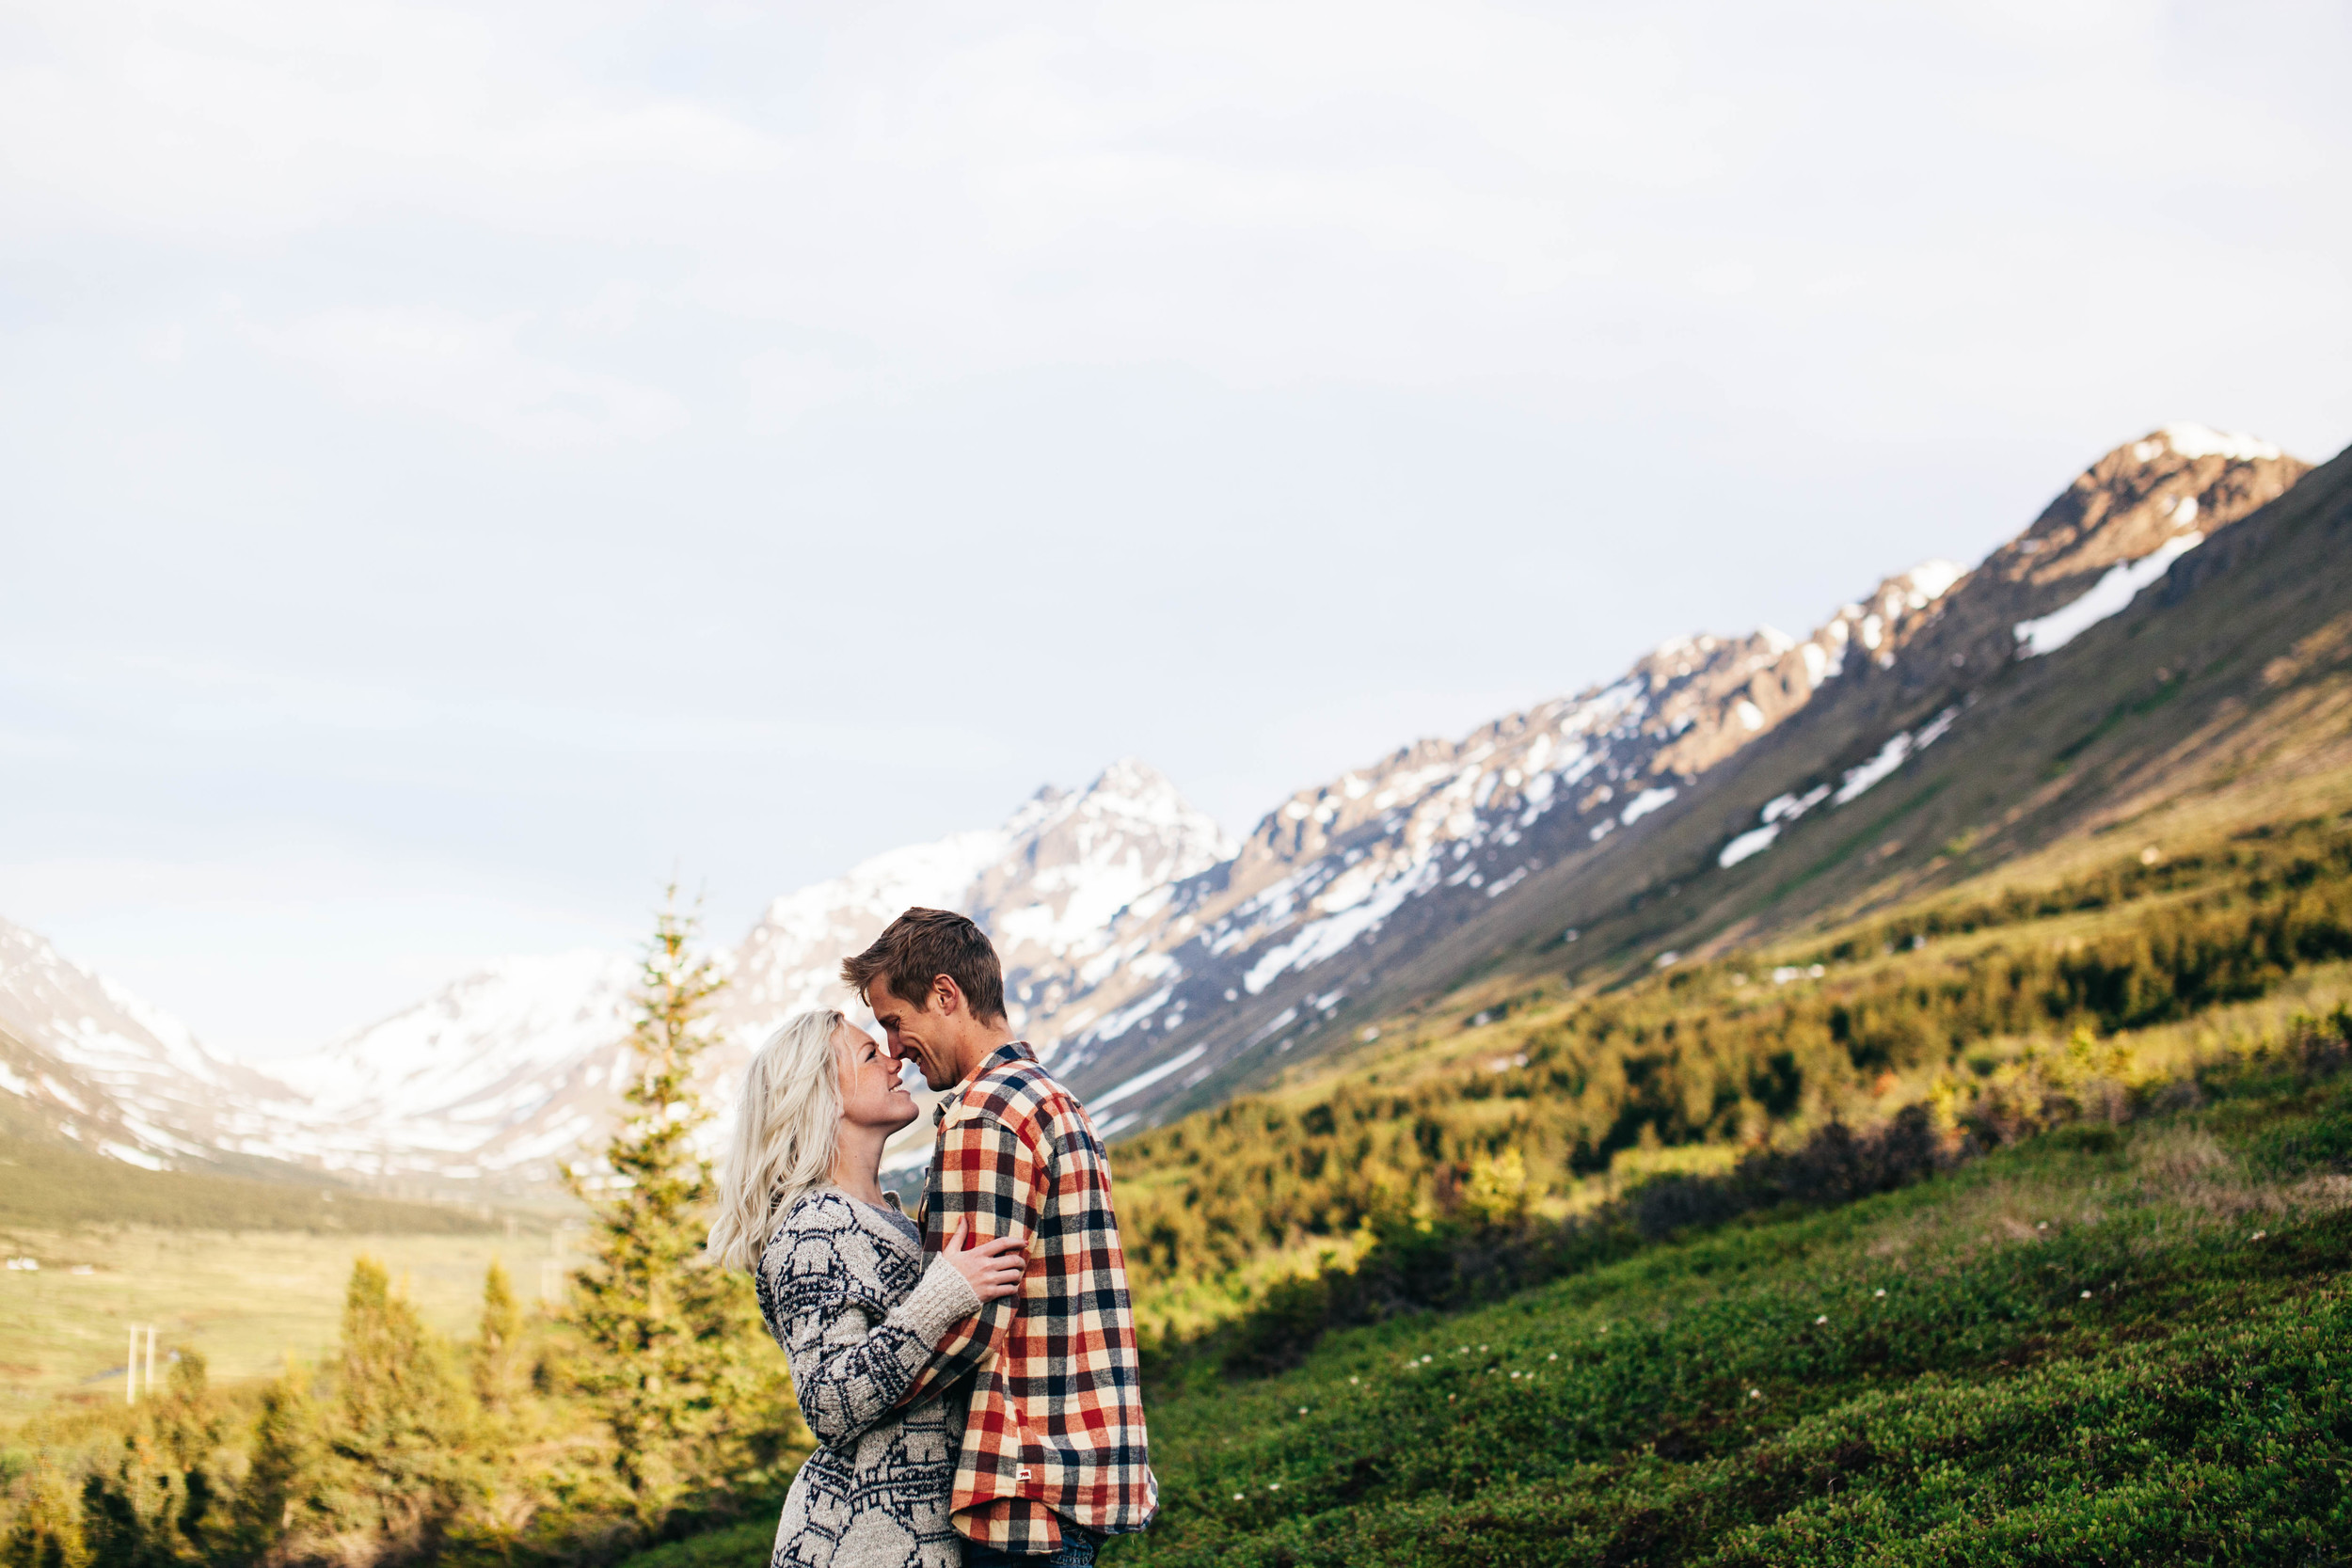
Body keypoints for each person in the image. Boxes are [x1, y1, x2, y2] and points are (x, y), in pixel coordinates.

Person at [839, 909, 1157, 1568]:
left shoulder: (985, 1117)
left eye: (896, 1021)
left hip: (1023, 1479)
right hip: (1076, 1465)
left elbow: (967, 1319)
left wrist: (855, 1403)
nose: (895, 1048)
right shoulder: (1051, 1099)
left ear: (946, 994)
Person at [709, 1007, 1028, 1568]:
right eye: (867, 1053)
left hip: (921, 1534)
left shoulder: (885, 1218)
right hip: (858, 1541)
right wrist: (939, 1299)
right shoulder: (813, 1228)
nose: (894, 1056)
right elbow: (828, 1403)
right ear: (822, 1095)